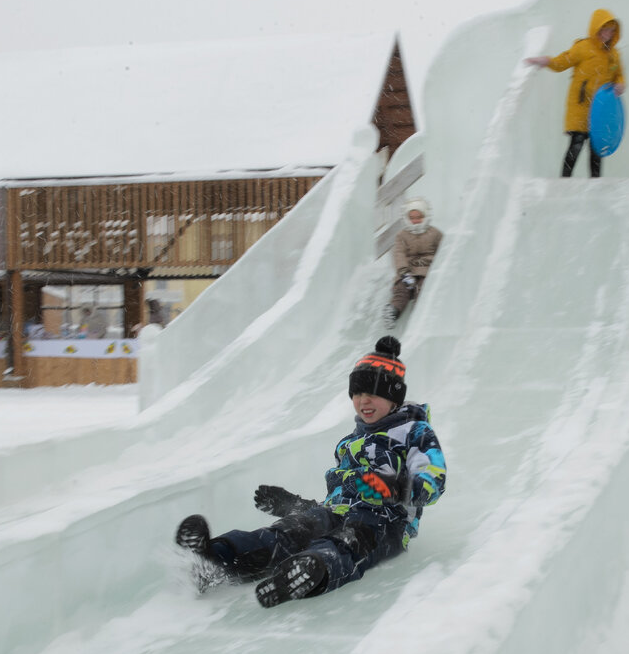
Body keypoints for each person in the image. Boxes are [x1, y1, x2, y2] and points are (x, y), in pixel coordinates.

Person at [174, 336, 447, 608]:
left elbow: (434, 481)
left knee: (349, 543)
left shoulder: (414, 431)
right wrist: (294, 506)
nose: (364, 400)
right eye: (358, 393)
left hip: (386, 522)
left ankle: (311, 571)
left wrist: (395, 487)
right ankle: (213, 561)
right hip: (338, 512)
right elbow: (337, 501)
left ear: (394, 397)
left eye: (374, 393)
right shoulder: (350, 442)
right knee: (288, 532)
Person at [525, 8, 627, 178]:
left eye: (611, 30)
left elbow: (619, 75)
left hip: (601, 109)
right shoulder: (583, 48)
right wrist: (546, 61)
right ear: (596, 29)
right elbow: (562, 62)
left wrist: (621, 85)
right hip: (581, 106)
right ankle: (564, 181)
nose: (607, 34)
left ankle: (595, 184)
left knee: (597, 150)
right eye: (604, 29)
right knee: (576, 144)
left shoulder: (614, 55)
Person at [384, 197, 443, 329]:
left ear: (425, 216)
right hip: (407, 271)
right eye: (412, 217)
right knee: (401, 290)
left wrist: (436, 265)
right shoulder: (402, 235)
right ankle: (392, 311)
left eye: (419, 217)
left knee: (422, 290)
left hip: (426, 270)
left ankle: (419, 318)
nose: (415, 220)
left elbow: (443, 250)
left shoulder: (435, 233)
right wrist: (403, 272)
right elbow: (399, 254)